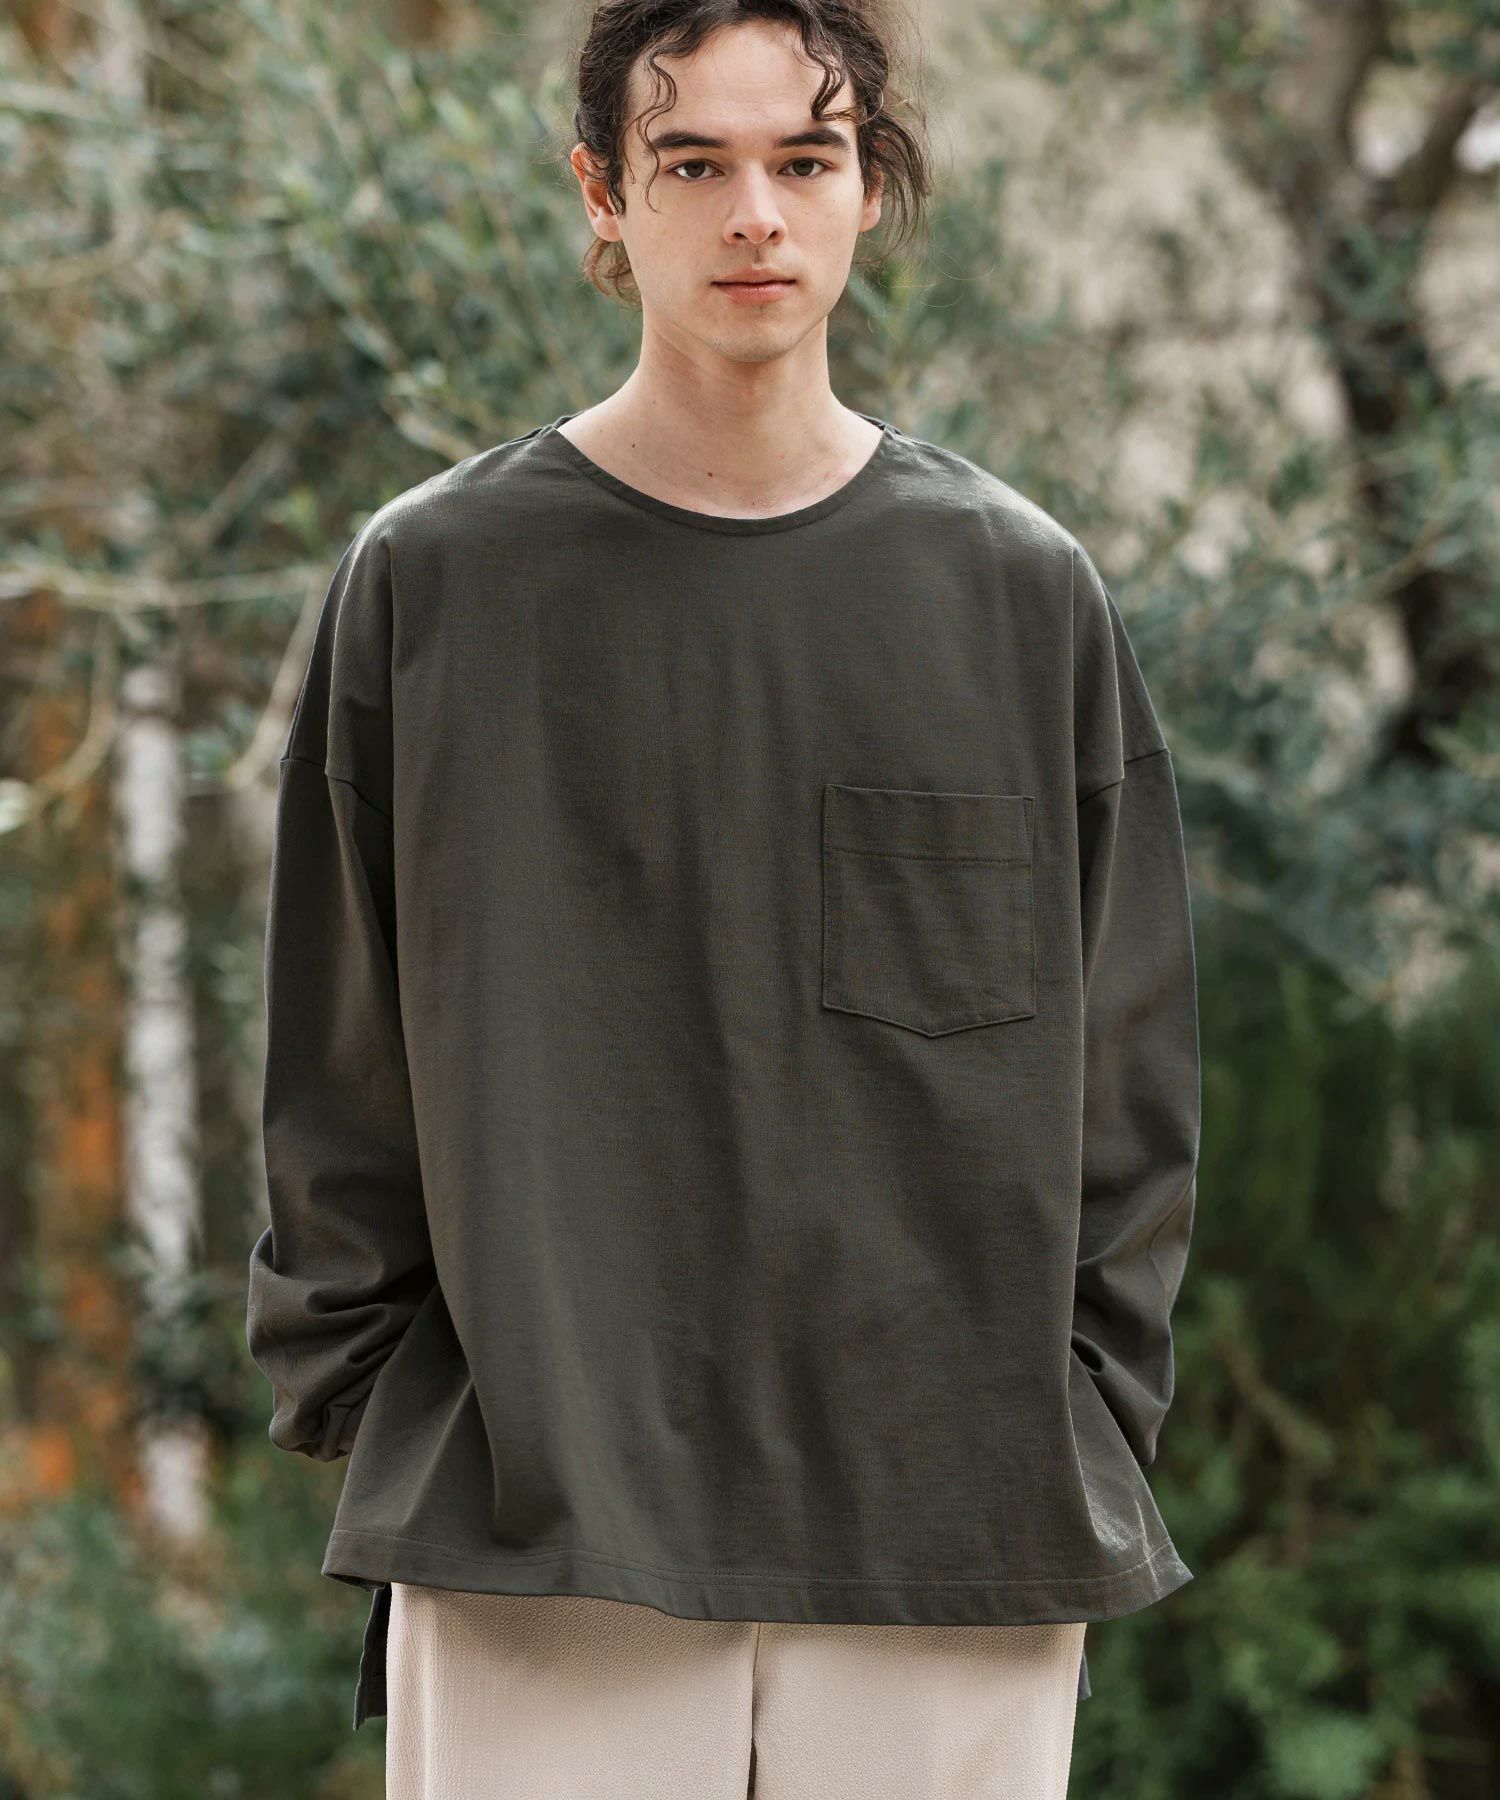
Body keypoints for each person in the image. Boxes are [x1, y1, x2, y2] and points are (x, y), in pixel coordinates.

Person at [245, 2, 1202, 1795]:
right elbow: (335, 1061)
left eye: (803, 159)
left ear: (866, 189)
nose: (754, 212)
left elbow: (1132, 1079)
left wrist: (1079, 1400)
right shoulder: (434, 588)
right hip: (534, 1522)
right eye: (693, 162)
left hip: (951, 1521)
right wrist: (391, 1413)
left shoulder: (1018, 595)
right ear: (603, 193)